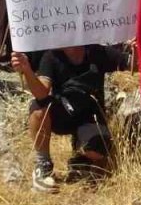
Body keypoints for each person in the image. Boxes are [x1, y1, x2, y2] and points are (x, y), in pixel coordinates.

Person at [11, 42, 134, 192]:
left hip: (90, 116)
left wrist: (140, 49)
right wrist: (27, 70)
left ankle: (81, 156)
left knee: (97, 151)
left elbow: (134, 65)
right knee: (38, 108)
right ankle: (43, 166)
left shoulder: (97, 51)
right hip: (64, 111)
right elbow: (41, 92)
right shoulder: (51, 56)